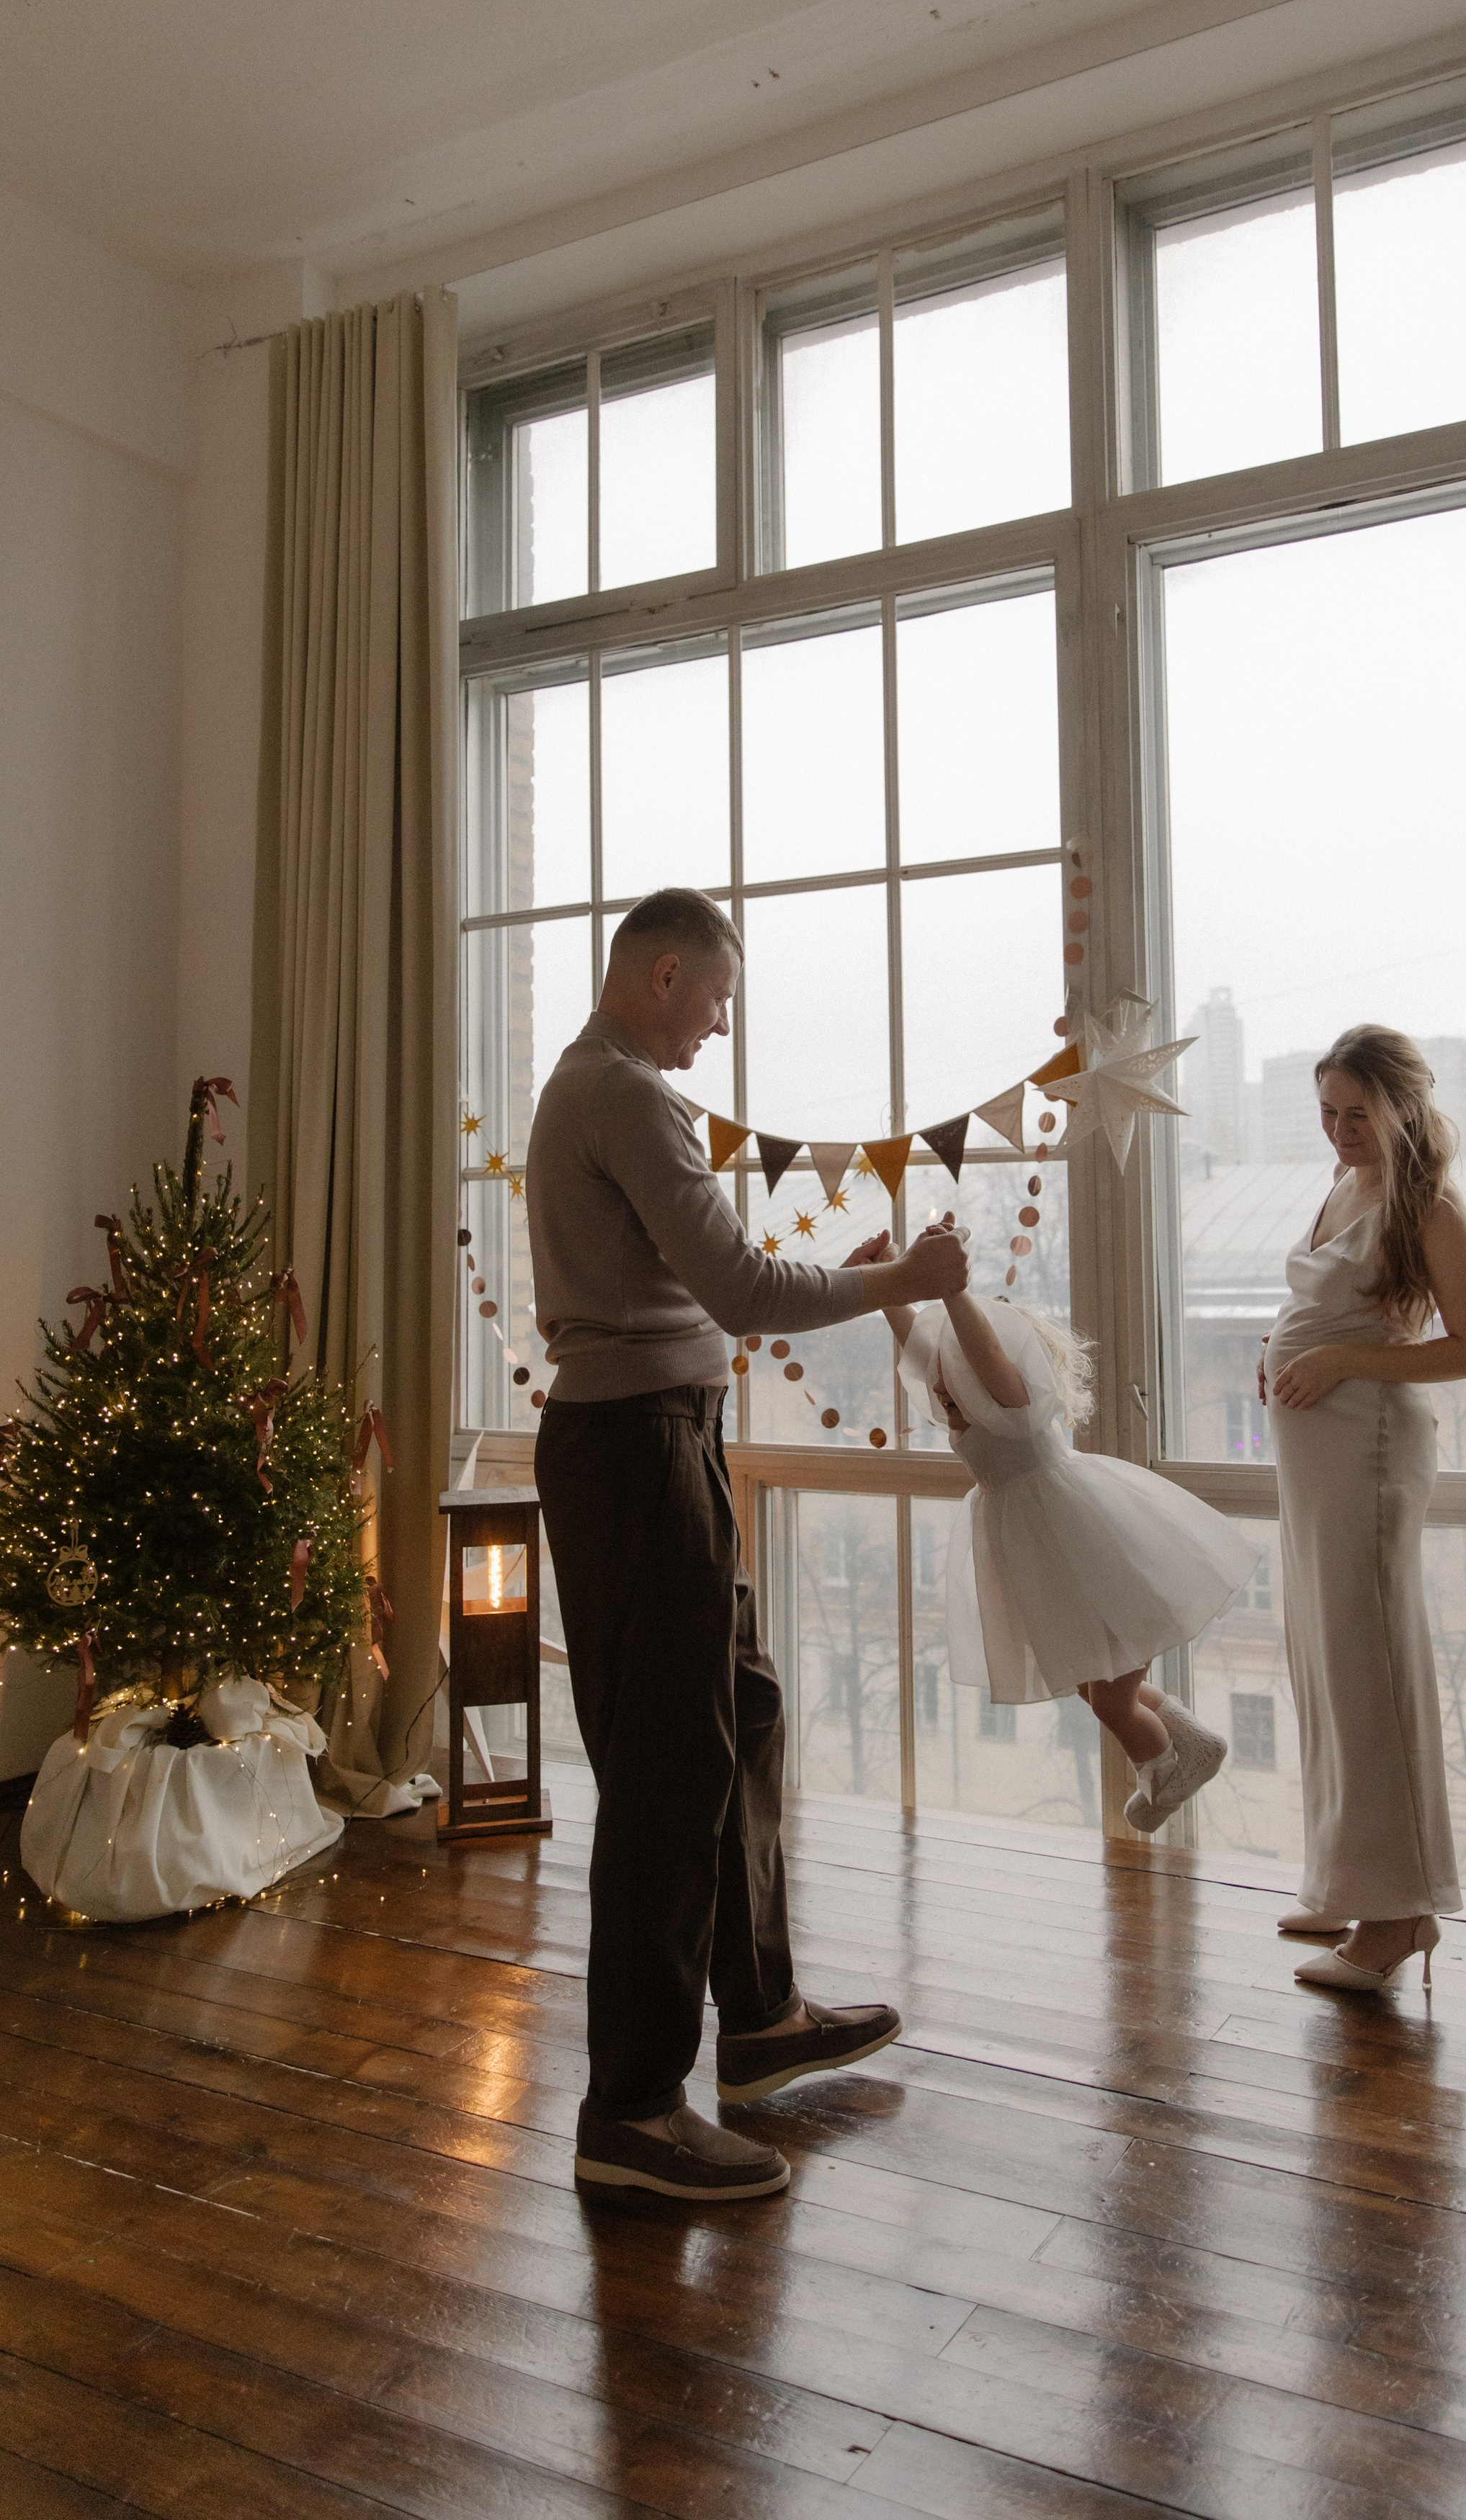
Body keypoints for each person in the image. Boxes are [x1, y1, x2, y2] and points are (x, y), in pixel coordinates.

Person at [525, 888, 970, 2200]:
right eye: (717, 997)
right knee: (669, 1771)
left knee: (745, 1713)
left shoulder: (598, 1087)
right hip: (638, 1449)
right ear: (664, 975)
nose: (720, 1028)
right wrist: (905, 1279)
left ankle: (761, 2017)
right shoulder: (627, 1093)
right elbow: (744, 1289)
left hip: (661, 1443)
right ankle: (633, 2114)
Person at [1259, 1023, 1466, 1994]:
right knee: (1320, 1658)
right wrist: (1279, 1350)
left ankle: (1399, 1915)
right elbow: (1332, 1307)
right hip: (1316, 1450)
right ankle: (1346, 1876)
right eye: (1327, 1112)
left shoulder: (1430, 1207)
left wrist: (1336, 1359)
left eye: (1358, 1112)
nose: (1341, 1130)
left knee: (1366, 1664)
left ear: (1403, 1106)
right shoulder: (1341, 1187)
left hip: (1370, 1450)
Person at [874, 1245, 1259, 1829]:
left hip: (1094, 1544)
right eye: (943, 1392)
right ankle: (1192, 1742)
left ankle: (1165, 1771)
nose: (946, 1402)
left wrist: (953, 1293)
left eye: (956, 1390)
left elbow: (981, 1352)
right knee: (1088, 1677)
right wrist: (888, 1286)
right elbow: (924, 1347)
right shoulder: (962, 1398)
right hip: (1048, 1558)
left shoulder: (1011, 1401)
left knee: (1109, 1697)